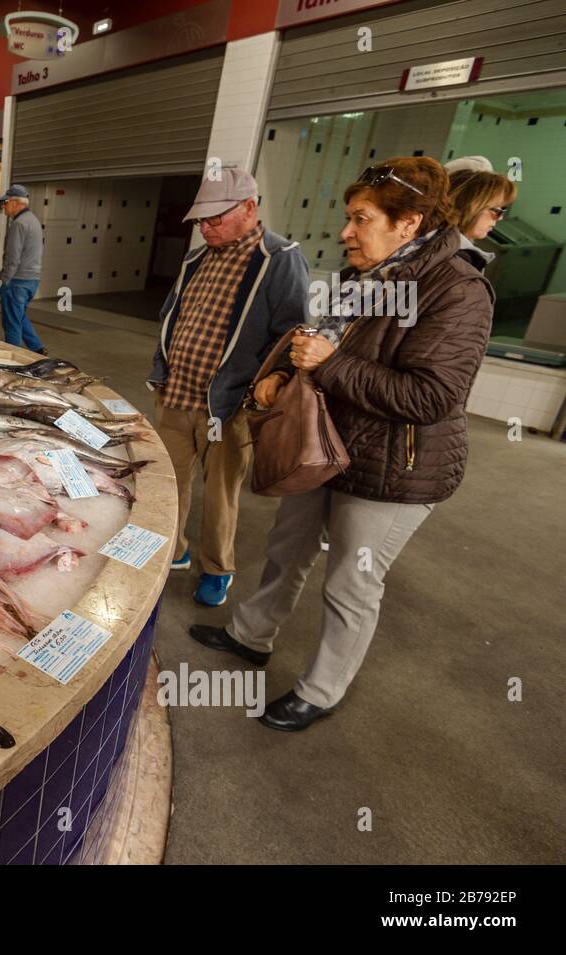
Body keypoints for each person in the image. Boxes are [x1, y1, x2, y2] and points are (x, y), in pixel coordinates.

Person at [191, 156, 494, 731]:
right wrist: (289, 371)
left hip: (394, 468)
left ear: (410, 223)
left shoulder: (458, 289)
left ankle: (322, 689)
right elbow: (328, 342)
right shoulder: (373, 274)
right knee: (287, 547)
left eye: (360, 219)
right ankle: (251, 636)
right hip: (329, 446)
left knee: (350, 582)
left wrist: (327, 368)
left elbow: (431, 398)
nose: (345, 232)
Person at [148, 168, 308, 607]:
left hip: (227, 406)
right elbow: (171, 315)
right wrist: (161, 368)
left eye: (215, 219)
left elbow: (291, 331)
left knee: (221, 494)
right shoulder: (195, 259)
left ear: (249, 208)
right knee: (167, 486)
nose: (206, 228)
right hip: (176, 395)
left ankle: (217, 569)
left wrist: (267, 383)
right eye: (201, 220)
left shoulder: (279, 258)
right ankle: (173, 554)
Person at [0, 184, 46, 354]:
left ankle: (13, 359)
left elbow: (13, 256)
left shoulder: (18, 224)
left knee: (11, 322)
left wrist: (5, 279)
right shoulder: (34, 220)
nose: (5, 206)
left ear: (16, 202)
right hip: (32, 280)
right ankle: (38, 348)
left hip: (17, 281)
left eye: (7, 202)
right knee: (19, 316)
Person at [446, 160, 517, 272]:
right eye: (497, 210)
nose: (500, 217)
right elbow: (411, 288)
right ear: (469, 205)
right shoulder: (455, 261)